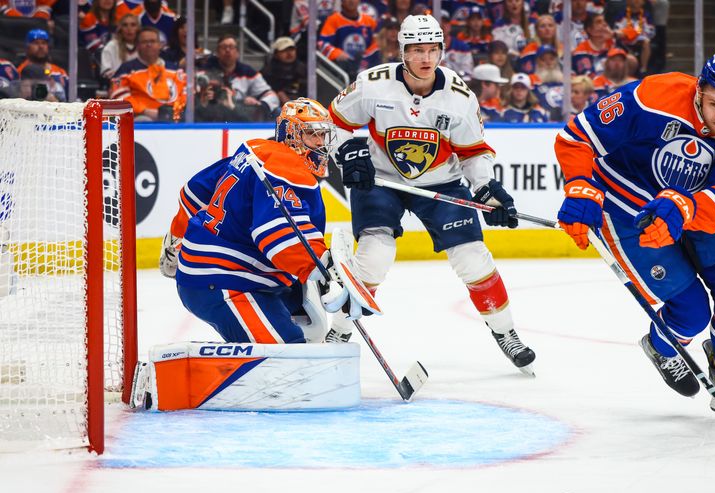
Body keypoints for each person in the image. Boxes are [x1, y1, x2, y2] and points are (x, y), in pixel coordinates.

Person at [554, 50, 715, 422]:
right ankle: (662, 347)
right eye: (714, 104)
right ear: (698, 89)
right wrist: (580, 186)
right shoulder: (652, 96)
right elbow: (576, 136)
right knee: (690, 312)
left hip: (690, 211)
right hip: (625, 207)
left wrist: (683, 208)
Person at [326, 15, 537, 376]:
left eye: (432, 50)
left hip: (441, 184)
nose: (426, 58)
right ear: (403, 52)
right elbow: (333, 123)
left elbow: (472, 151)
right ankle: (339, 332)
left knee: (473, 257)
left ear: (442, 50)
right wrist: (346, 152)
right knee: (375, 255)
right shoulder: (373, 84)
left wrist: (487, 190)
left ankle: (506, 332)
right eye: (417, 50)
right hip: (381, 181)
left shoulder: (459, 97)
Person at [159, 98, 366, 345]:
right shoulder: (286, 169)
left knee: (311, 328)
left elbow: (195, 191)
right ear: (292, 135)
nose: (321, 143)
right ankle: (187, 372)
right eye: (313, 134)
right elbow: (279, 236)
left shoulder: (256, 150)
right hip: (223, 280)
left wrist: (176, 238)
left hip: (241, 274)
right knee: (286, 353)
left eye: (323, 135)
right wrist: (323, 270)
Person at [110, 26, 186, 121]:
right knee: (144, 120)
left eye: (153, 41)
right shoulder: (126, 69)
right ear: (137, 46)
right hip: (141, 118)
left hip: (174, 118)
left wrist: (175, 112)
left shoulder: (175, 70)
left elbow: (186, 94)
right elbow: (118, 97)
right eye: (144, 42)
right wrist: (143, 111)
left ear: (160, 45)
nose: (149, 44)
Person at [201, 34, 280, 121]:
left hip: (239, 114)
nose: (227, 50)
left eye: (231, 47)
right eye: (223, 47)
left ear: (237, 53)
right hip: (211, 113)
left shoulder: (248, 72)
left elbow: (272, 96)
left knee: (277, 111)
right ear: (217, 52)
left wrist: (260, 105)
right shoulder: (206, 71)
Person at [16, 29, 68, 102]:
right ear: (27, 47)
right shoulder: (20, 71)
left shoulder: (60, 72)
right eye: (36, 43)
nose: (41, 46)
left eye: (44, 43)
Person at [261, 36, 307, 105]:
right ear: (276, 54)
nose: (289, 53)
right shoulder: (268, 71)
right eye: (284, 50)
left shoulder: (302, 68)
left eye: (292, 49)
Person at [100, 12, 139, 79]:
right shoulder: (111, 46)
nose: (129, 29)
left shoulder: (144, 47)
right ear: (120, 29)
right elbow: (105, 72)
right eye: (125, 25)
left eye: (133, 25)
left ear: (138, 28)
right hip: (118, 85)